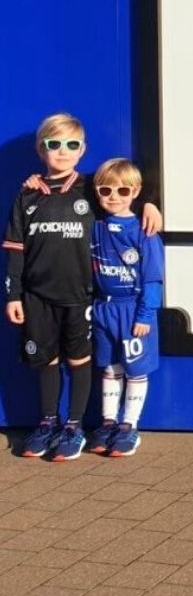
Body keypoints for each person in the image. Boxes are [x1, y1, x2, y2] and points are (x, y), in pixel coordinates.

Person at [3, 114, 161, 461]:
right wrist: (13, 295)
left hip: (81, 298)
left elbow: (123, 188)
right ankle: (47, 422)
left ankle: (73, 426)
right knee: (46, 361)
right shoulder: (28, 194)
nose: (62, 152)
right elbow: (15, 250)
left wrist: (150, 201)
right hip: (36, 297)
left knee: (80, 360)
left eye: (71, 145)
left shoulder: (92, 189)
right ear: (40, 149)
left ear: (82, 150)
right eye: (53, 144)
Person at [88, 159, 164, 457]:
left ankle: (129, 425)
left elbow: (153, 279)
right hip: (103, 310)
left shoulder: (145, 233)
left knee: (135, 369)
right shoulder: (94, 228)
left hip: (132, 311)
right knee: (109, 367)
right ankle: (108, 422)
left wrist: (146, 314)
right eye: (105, 189)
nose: (114, 196)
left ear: (136, 192)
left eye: (123, 190)